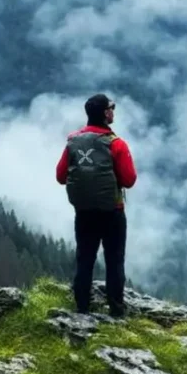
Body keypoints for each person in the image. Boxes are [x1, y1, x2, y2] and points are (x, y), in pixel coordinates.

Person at [56, 94, 137, 317]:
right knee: (114, 261)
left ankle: (81, 308)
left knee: (85, 259)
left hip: (84, 212)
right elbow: (129, 180)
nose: (113, 110)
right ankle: (116, 311)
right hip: (113, 211)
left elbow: (61, 176)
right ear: (105, 113)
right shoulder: (116, 144)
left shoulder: (73, 142)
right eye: (112, 107)